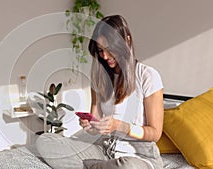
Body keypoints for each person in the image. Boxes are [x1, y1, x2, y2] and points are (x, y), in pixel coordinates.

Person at [36, 15, 164, 169]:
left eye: (110, 49)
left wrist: (119, 126)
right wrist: (90, 125)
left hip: (139, 157)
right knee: (45, 141)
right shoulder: (100, 78)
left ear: (127, 41)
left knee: (127, 166)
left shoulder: (147, 76)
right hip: (105, 150)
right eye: (100, 50)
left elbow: (155, 134)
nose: (105, 56)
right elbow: (95, 123)